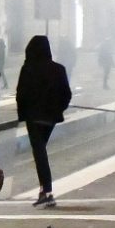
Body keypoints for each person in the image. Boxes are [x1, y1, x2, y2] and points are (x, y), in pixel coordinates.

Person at [16, 35, 72, 208]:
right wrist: (57, 109)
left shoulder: (28, 69)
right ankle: (44, 191)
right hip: (50, 119)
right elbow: (66, 94)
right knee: (41, 152)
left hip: (34, 118)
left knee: (39, 154)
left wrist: (23, 114)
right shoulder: (59, 69)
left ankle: (47, 192)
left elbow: (21, 94)